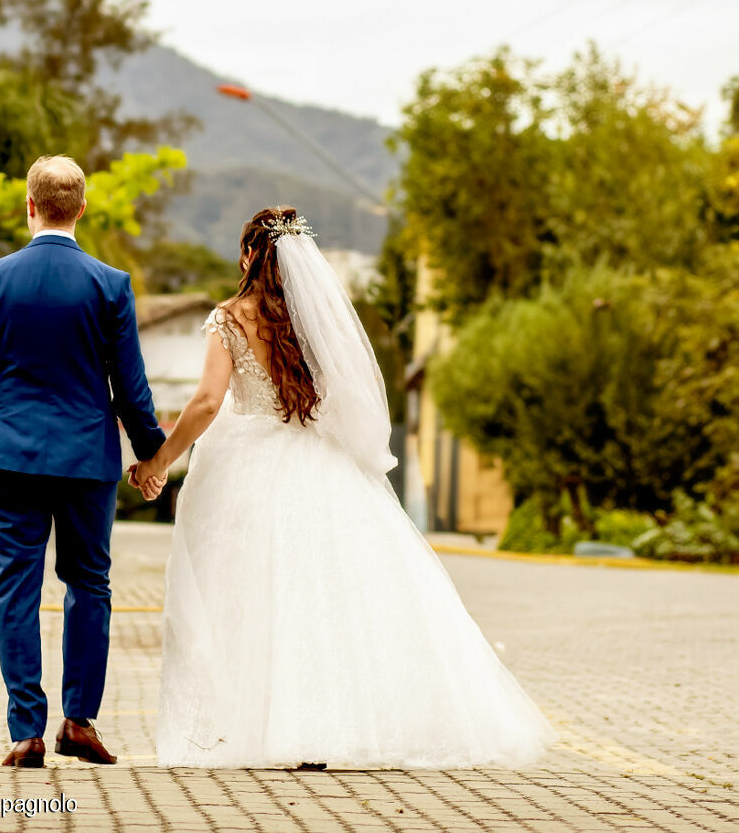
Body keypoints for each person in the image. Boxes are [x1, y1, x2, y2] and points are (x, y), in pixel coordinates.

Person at [131, 206, 555, 770]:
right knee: (321, 596)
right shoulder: (314, 320)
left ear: (250, 255)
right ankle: (320, 728)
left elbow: (208, 402)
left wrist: (159, 459)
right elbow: (345, 396)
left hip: (249, 468)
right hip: (318, 463)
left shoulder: (231, 317)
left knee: (252, 596)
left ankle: (263, 725)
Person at [0, 155, 165, 768]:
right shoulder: (110, 284)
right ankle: (79, 720)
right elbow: (131, 389)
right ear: (82, 208)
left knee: (14, 588)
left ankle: (26, 732)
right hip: (86, 459)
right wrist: (152, 452)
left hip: (12, 457)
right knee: (89, 584)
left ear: (29, 205)